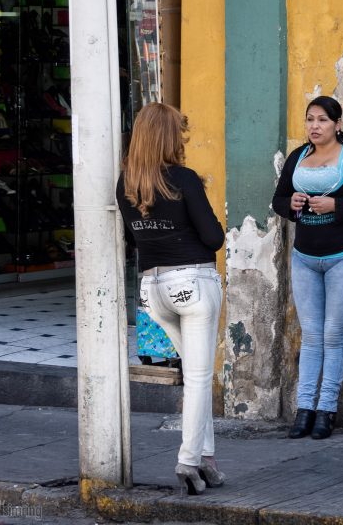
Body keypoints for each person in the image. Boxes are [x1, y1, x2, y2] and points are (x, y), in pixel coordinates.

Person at [116, 103, 225, 495]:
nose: (183, 138)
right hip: (192, 283)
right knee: (198, 378)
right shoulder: (184, 178)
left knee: (194, 377)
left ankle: (207, 460)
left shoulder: (125, 182)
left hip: (152, 291)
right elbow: (214, 237)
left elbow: (134, 240)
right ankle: (188, 460)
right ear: (169, 136)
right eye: (179, 132)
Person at [272, 95, 343, 439]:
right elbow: (278, 200)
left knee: (334, 335)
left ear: (338, 124)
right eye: (309, 120)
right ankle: (304, 409)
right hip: (305, 258)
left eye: (322, 120)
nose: (314, 126)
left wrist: (337, 205)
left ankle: (327, 411)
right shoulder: (297, 158)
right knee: (311, 336)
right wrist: (290, 204)